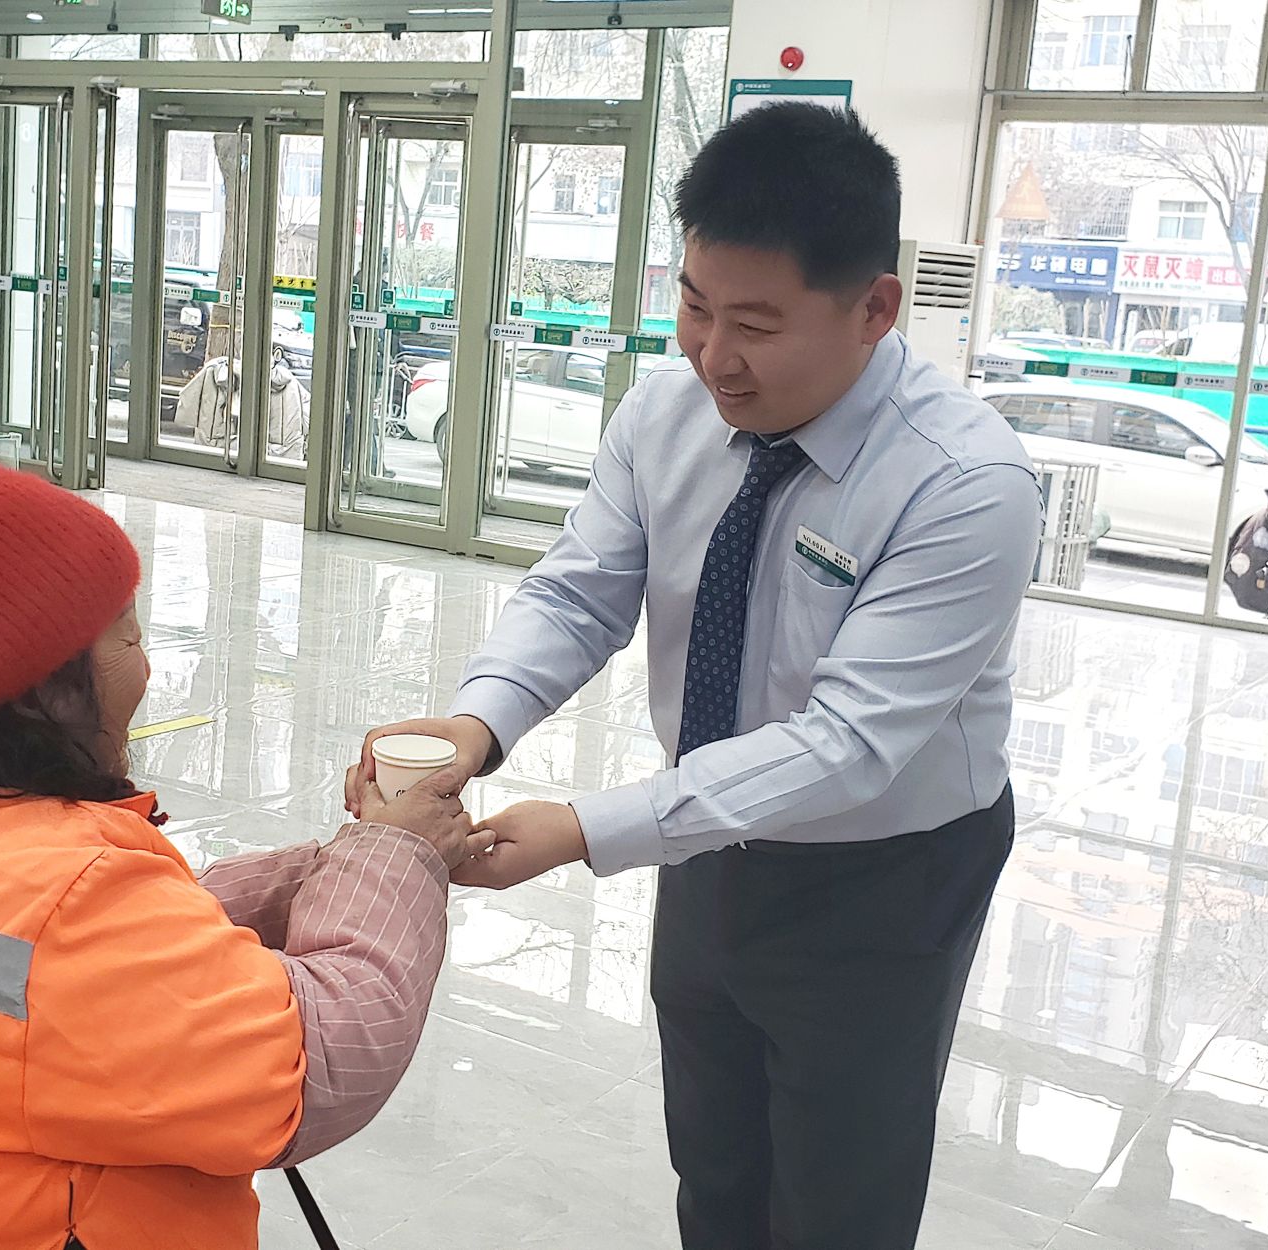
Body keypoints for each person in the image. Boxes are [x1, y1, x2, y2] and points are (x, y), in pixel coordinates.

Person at [350, 104, 1040, 1250]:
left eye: (756, 324)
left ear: (874, 308)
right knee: (714, 1164)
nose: (714, 355)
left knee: (839, 1196)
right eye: (694, 305)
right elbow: (579, 593)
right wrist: (476, 725)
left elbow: (847, 745)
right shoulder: (663, 415)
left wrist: (581, 827)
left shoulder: (961, 482)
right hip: (706, 833)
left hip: (885, 873)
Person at [0, 459, 488, 1249]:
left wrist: (332, 869)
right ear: (43, 686)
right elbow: (328, 1053)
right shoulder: (69, 907)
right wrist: (396, 852)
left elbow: (63, 960)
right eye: (128, 633)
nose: (148, 667)